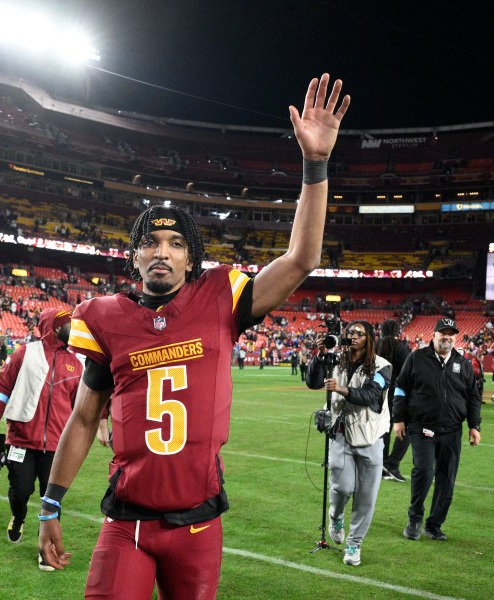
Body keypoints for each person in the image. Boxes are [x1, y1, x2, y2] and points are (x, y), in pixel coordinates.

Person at [38, 74, 350, 599]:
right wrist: (50, 505)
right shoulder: (105, 316)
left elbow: (302, 259)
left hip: (199, 523)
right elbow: (86, 416)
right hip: (127, 522)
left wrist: (314, 165)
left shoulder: (220, 296)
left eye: (176, 243)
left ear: (191, 256)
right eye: (151, 242)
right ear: (134, 254)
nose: (162, 251)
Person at [0, 308, 83, 570]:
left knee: (52, 499)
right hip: (22, 440)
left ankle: (44, 548)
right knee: (20, 490)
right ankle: (18, 516)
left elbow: (79, 407)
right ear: (55, 327)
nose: (73, 327)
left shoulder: (75, 363)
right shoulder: (24, 353)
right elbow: (2, 389)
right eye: (68, 324)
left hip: (58, 445)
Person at [306, 321, 391, 567]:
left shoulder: (382, 366)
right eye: (350, 332)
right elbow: (312, 382)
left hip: (370, 438)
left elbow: (371, 396)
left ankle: (354, 544)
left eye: (359, 334)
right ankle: (336, 517)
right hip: (340, 435)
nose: (353, 336)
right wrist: (321, 356)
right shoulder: (335, 360)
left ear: (370, 339)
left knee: (366, 497)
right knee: (342, 488)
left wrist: (342, 389)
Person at [393, 317, 482, 542]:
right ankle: (414, 519)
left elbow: (473, 396)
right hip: (422, 427)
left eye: (451, 333)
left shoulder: (462, 363)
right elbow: (401, 388)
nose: (447, 337)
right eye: (443, 333)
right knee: (424, 471)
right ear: (433, 335)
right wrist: (398, 419)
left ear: (455, 337)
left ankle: (434, 525)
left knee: (447, 479)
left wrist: (474, 425)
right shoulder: (417, 358)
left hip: (452, 430)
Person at [378, 319, 411, 482]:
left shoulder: (376, 346)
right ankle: (392, 464)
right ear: (397, 331)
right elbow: (408, 373)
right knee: (405, 428)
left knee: (383, 429)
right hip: (397, 393)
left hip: (377, 392)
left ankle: (380, 464)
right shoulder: (401, 348)